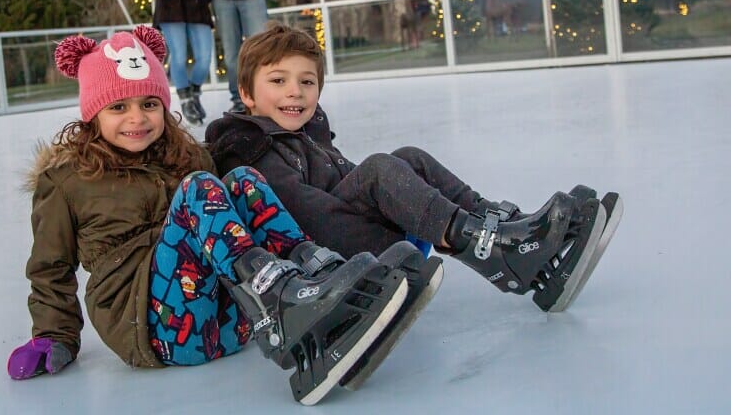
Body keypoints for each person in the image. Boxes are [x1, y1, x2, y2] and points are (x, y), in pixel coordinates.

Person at [5, 25, 418, 406]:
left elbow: (243, 211)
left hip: (231, 322)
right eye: (118, 107)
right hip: (156, 329)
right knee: (199, 187)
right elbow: (51, 267)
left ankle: (312, 279)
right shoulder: (68, 179)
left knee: (241, 178)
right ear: (92, 113)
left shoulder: (185, 155)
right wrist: (52, 336)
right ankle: (284, 305)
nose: (137, 118)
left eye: (149, 103)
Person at [205, 23, 623, 319]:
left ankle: (502, 228)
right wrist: (390, 233)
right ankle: (493, 250)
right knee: (380, 168)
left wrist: (403, 202)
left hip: (368, 240)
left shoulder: (306, 133)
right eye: (278, 80)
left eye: (307, 82)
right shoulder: (250, 146)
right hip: (334, 262)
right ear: (247, 93)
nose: (295, 91)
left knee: (408, 157)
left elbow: (349, 182)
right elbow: (306, 214)